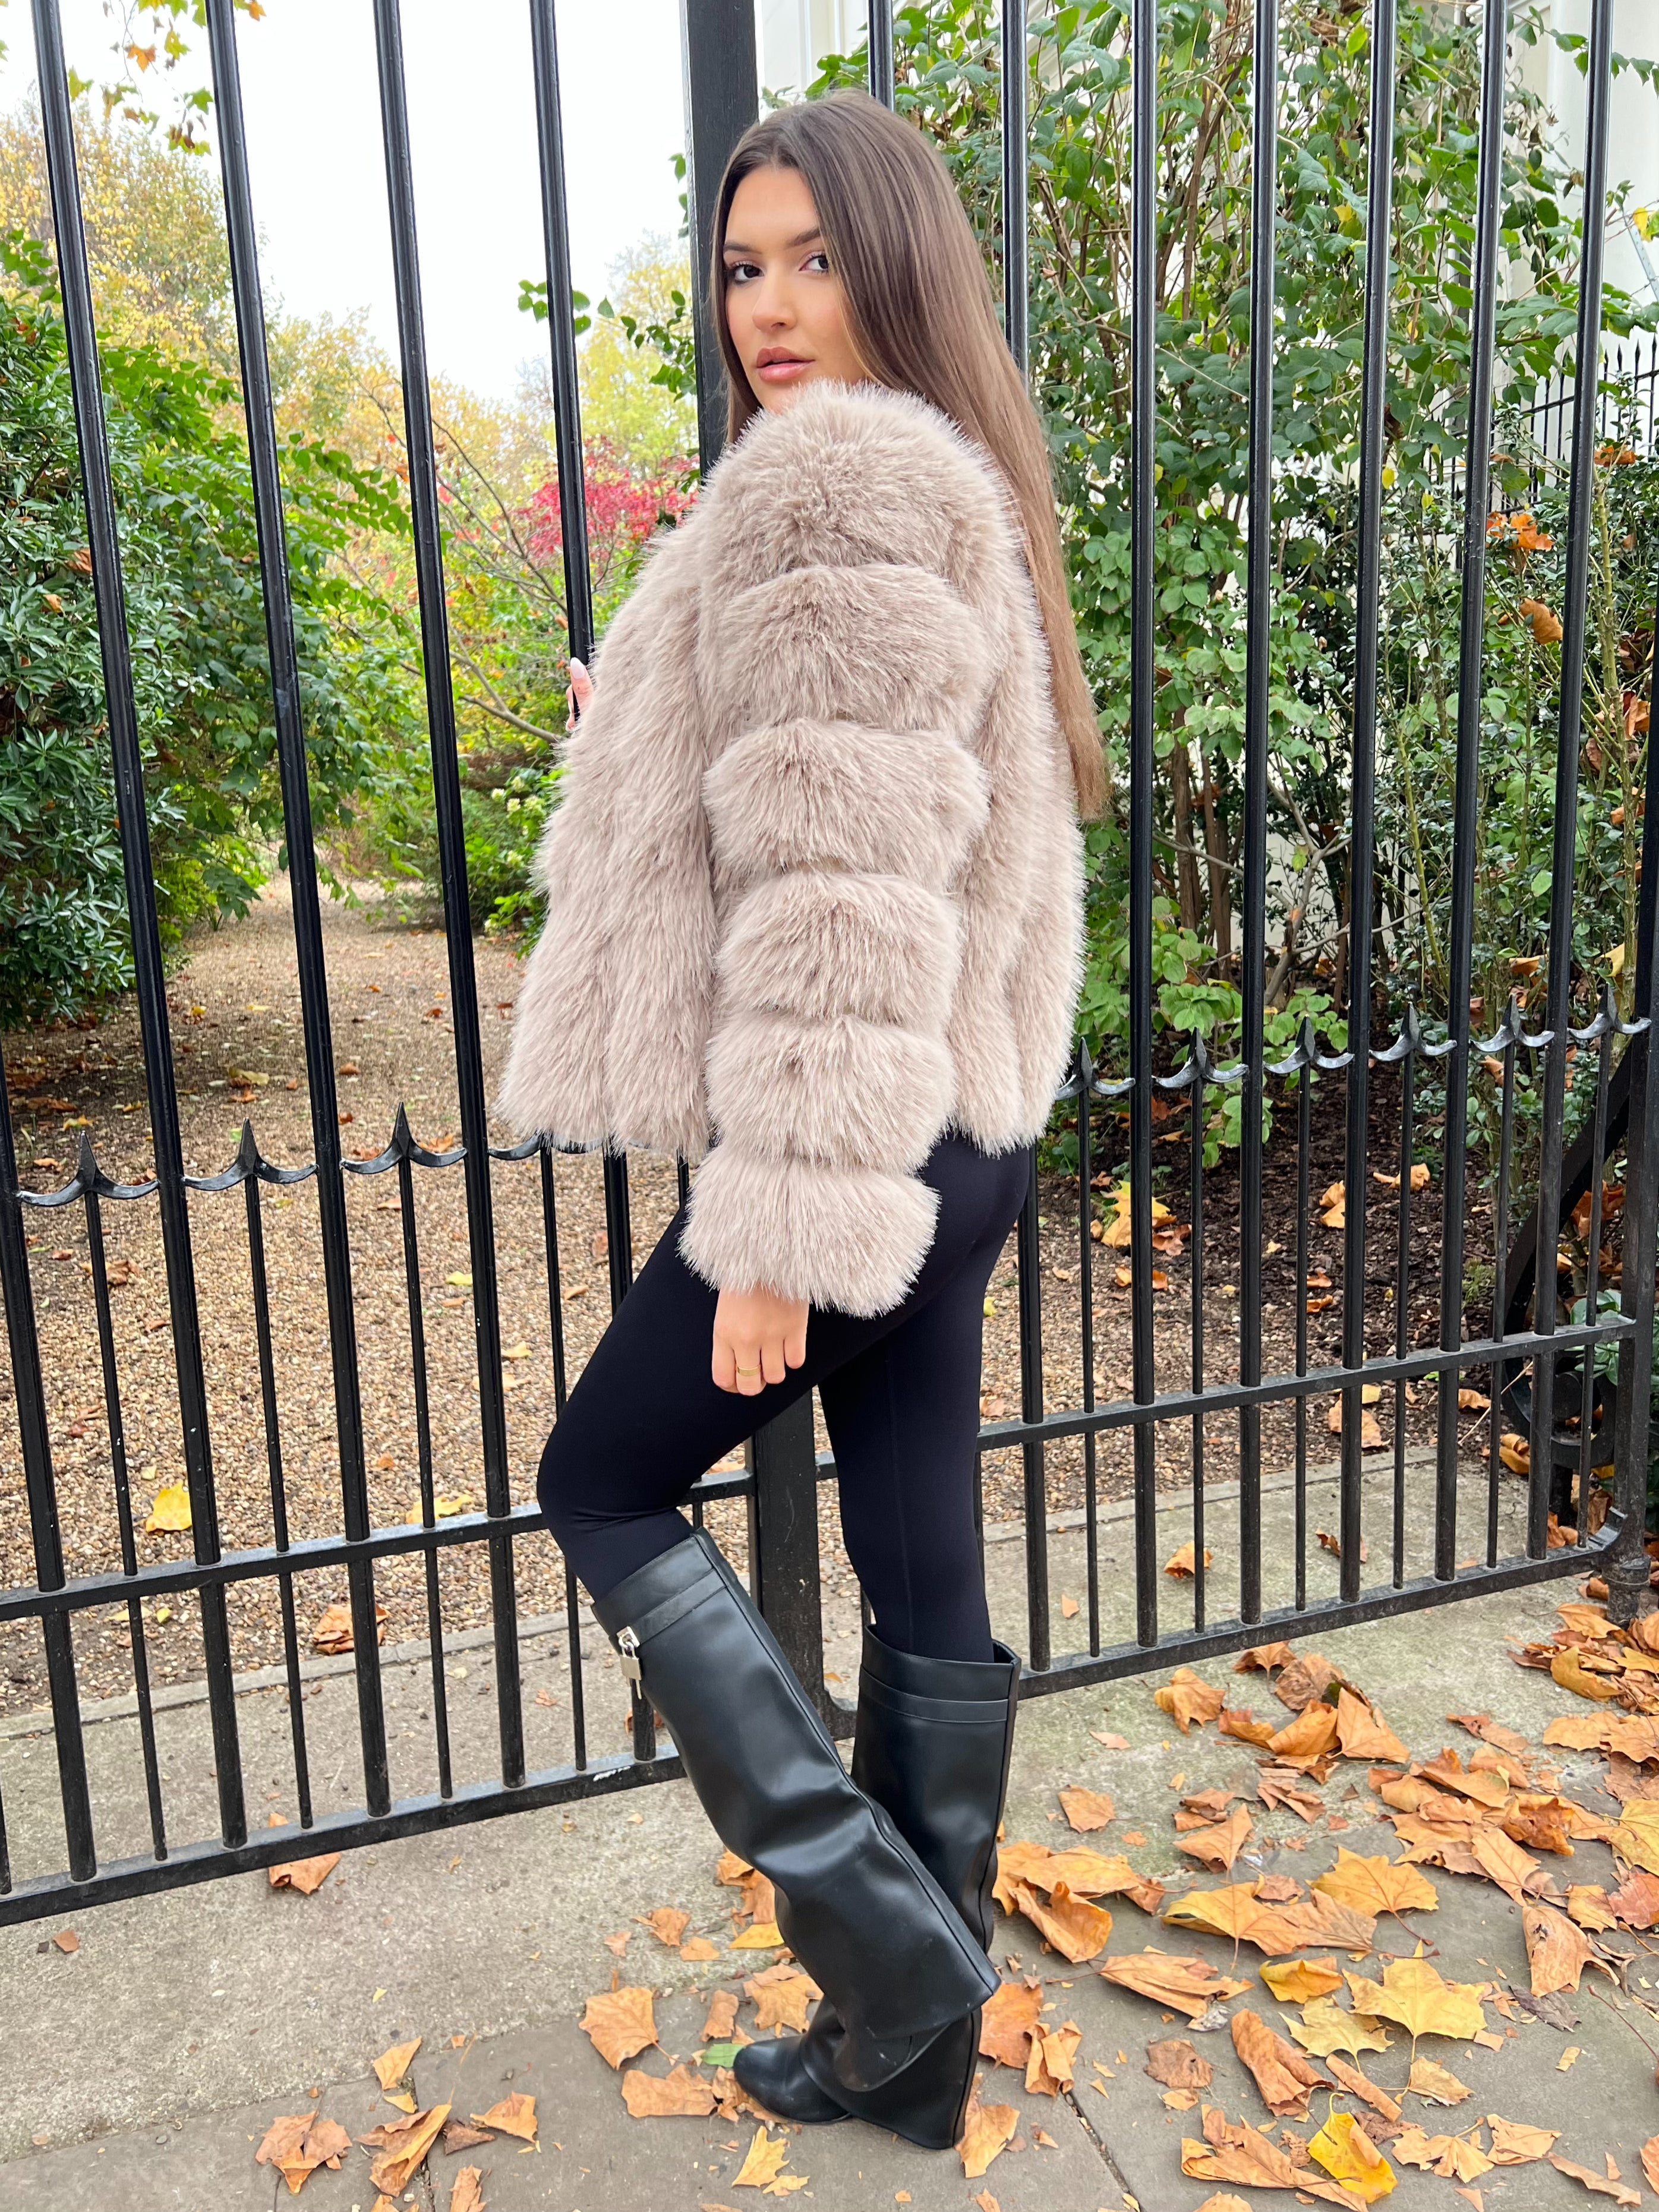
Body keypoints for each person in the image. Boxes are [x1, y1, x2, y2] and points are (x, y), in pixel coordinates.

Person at [500, 88, 1099, 2152]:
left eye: (815, 261)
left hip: (853, 1143)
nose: (768, 305)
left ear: (892, 265)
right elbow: (876, 811)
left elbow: (843, 900)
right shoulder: (943, 469)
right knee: (914, 1544)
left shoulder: (831, 482)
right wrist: (648, 731)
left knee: (601, 1479)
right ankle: (907, 2054)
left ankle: (895, 1958)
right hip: (962, 1124)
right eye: (744, 265)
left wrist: (772, 1227)